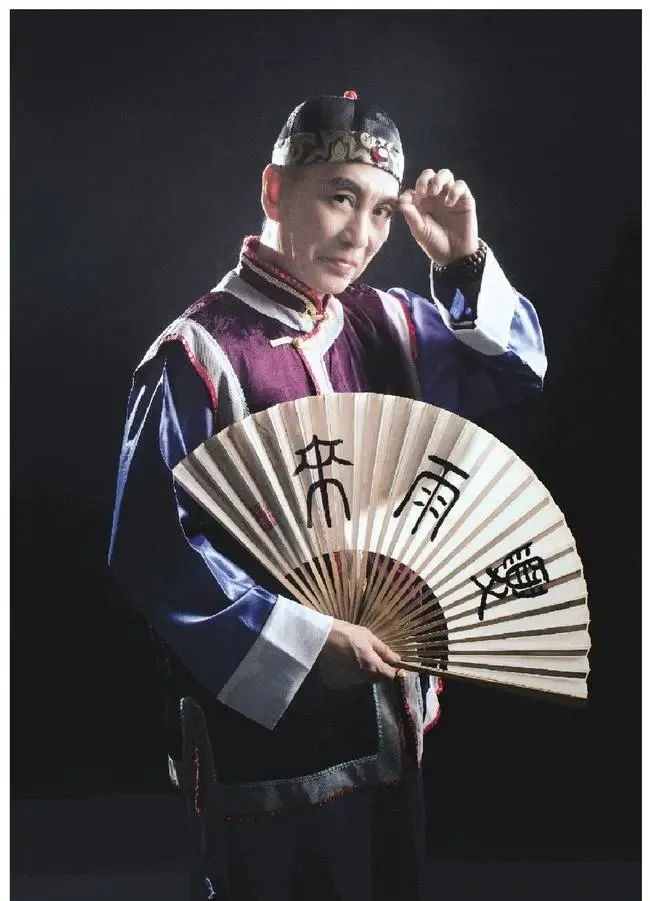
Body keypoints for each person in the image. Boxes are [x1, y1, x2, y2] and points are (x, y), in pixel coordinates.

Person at [109, 91, 546, 901]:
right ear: (274, 190)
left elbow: (517, 372)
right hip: (264, 731)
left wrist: (460, 262)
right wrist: (304, 640)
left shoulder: (385, 323)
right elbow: (152, 547)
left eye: (382, 211)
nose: (361, 235)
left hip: (389, 709)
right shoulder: (199, 353)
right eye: (341, 197)